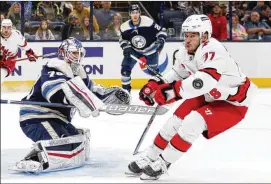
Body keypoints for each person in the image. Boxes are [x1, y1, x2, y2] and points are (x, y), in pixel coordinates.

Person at [126, 14, 258, 180]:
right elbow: (177, 73)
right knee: (174, 121)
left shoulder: (214, 50)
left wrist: (169, 93)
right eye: (186, 35)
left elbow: (203, 82)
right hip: (209, 95)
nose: (187, 40)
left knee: (192, 122)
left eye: (193, 35)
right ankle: (150, 156)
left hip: (233, 103)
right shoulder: (185, 51)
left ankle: (164, 162)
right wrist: (156, 84)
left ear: (205, 35)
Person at [10, 37, 131, 174]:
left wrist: (108, 96)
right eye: (74, 53)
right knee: (65, 146)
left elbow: (91, 91)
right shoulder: (54, 65)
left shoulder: (78, 71)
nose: (77, 57)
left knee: (77, 141)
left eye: (79, 53)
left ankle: (42, 150)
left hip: (57, 118)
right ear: (63, 52)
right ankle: (33, 160)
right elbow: (54, 93)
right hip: (37, 118)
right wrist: (77, 99)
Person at [119, 4, 167, 92]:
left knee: (154, 74)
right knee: (125, 70)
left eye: (137, 12)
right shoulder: (124, 27)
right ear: (129, 14)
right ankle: (126, 93)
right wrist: (126, 47)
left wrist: (161, 40)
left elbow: (162, 31)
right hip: (134, 51)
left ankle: (158, 91)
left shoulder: (147, 22)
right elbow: (122, 39)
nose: (135, 15)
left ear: (140, 13)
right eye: (132, 12)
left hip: (151, 50)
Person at [0, 19, 38, 85]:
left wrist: (30, 54)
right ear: (1, 27)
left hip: (8, 63)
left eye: (9, 27)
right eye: (4, 27)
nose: (6, 30)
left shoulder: (16, 35)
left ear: (11, 27)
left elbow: (26, 47)